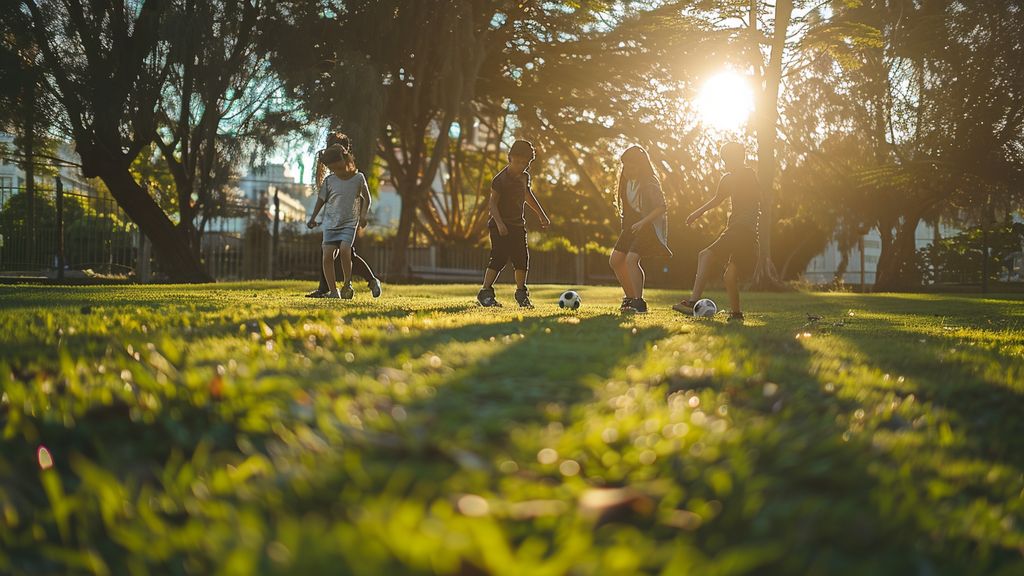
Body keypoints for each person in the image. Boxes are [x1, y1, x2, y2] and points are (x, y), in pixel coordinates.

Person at [673, 141, 760, 321]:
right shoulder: (728, 178)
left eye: (729, 158)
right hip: (744, 234)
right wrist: (697, 213)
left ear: (741, 157)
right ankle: (736, 315)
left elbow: (755, 197)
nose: (726, 162)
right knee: (729, 276)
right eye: (724, 159)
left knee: (705, 255)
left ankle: (692, 302)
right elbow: (717, 199)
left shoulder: (748, 174)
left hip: (742, 230)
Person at [305, 131, 382, 298]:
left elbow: (365, 198)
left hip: (347, 222)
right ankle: (330, 289)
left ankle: (359, 283)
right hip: (332, 222)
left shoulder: (356, 177)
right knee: (328, 253)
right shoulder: (330, 180)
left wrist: (363, 215)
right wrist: (313, 217)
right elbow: (322, 200)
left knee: (347, 252)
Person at [477, 139, 550, 308]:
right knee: (499, 258)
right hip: (499, 225)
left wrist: (541, 215)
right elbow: (493, 204)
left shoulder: (524, 177)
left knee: (522, 258)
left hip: (517, 225)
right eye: (517, 162)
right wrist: (500, 224)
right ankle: (485, 292)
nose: (520, 166)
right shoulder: (500, 180)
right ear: (509, 158)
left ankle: (521, 294)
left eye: (524, 163)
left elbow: (527, 196)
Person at [608, 145, 671, 313]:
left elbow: (661, 207)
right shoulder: (626, 182)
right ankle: (629, 298)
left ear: (641, 166)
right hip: (632, 226)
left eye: (632, 166)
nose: (628, 169)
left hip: (648, 226)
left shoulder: (649, 183)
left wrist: (643, 222)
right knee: (615, 260)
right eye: (626, 165)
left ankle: (639, 302)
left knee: (631, 259)